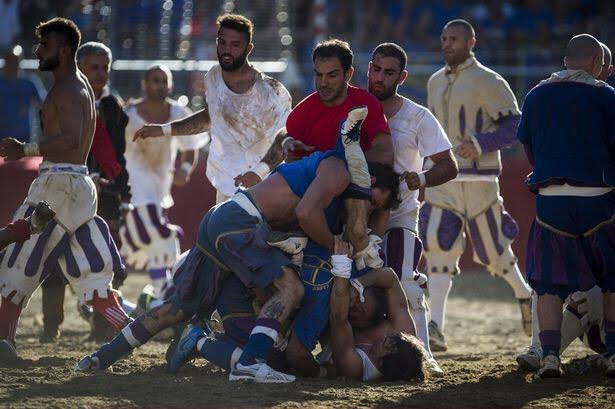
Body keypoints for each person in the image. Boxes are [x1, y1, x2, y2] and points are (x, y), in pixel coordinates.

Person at [76, 108, 398, 383]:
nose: (367, 210)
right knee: (292, 290)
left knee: (177, 309)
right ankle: (248, 363)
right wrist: (335, 245)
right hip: (239, 224)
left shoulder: (318, 169)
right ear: (364, 179)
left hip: (222, 217)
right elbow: (304, 213)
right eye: (369, 202)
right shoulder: (336, 171)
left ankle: (101, 358)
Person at [0, 18, 130, 362]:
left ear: (64, 50)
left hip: (57, 183)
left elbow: (71, 138)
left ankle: (2, 341)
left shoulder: (67, 89)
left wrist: (24, 149)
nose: (38, 51)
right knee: (91, 271)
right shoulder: (80, 84)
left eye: (44, 45)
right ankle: (132, 332)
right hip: (79, 185)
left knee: (19, 264)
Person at [422, 19, 532, 351]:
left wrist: (482, 143)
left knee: (494, 252)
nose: (447, 44)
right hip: (443, 177)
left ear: (472, 42)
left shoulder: (489, 80)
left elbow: (516, 125)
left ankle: (524, 294)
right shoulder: (434, 81)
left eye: (454, 38)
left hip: (480, 179)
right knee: (437, 246)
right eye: (443, 38)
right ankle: (436, 326)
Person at [516, 33, 615, 378]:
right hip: (598, 201)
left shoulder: (535, 95)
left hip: (552, 202)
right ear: (598, 63)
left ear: (564, 61)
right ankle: (614, 353)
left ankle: (547, 356)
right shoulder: (607, 97)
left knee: (546, 284)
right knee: (611, 279)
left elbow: (529, 150)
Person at [252, 38, 394, 271]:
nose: (323, 82)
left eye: (332, 75)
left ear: (348, 74)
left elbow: (385, 153)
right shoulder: (304, 111)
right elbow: (285, 144)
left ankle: (369, 255)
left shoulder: (366, 104)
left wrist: (349, 172)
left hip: (353, 202)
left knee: (382, 192)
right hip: (313, 208)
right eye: (318, 75)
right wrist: (259, 170)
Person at [133, 13, 291, 204]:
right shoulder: (213, 77)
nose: (226, 50)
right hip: (226, 184)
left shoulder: (271, 92)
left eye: (235, 45)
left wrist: (259, 172)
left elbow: (284, 137)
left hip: (263, 189)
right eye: (222, 42)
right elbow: (209, 117)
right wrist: (164, 130)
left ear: (248, 49)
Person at [367, 42, 457, 373]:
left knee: (403, 279)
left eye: (388, 72)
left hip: (400, 214)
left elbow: (449, 166)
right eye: (375, 69)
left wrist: (420, 177)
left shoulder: (418, 117)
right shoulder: (352, 107)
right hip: (354, 215)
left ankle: (424, 355)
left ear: (402, 77)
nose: (379, 78)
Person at [39, 41, 132, 343]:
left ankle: (102, 327)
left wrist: (120, 188)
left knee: (107, 261)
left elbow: (118, 155)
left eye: (106, 67)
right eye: (95, 66)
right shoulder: (62, 100)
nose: (102, 73)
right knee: (52, 257)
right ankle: (51, 327)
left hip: (103, 197)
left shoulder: (112, 107)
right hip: (64, 190)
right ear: (79, 66)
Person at [120, 64, 207, 299]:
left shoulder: (179, 113)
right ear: (144, 84)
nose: (159, 85)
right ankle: (165, 295)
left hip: (159, 192)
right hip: (132, 190)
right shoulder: (127, 115)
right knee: (162, 237)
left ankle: (143, 300)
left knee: (138, 247)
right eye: (155, 80)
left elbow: (191, 146)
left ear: (171, 85)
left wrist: (185, 169)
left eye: (164, 81)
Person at [326, 237, 428, 381]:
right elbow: (391, 278)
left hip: (332, 309)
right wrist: (359, 285)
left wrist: (341, 262)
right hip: (346, 292)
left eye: (386, 343)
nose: (384, 337)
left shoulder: (354, 366)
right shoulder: (403, 336)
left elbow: (338, 318)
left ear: (382, 359)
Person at [0, 45, 45, 143]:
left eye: (15, 60)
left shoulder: (30, 82)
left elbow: (44, 104)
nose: (12, 64)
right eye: (10, 60)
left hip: (23, 139)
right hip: (1, 138)